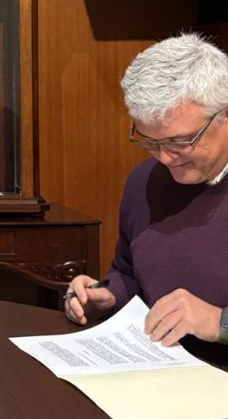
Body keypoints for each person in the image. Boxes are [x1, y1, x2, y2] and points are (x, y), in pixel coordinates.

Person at [64, 33, 228, 347]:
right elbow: (129, 271)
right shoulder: (144, 181)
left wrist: (219, 322)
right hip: (157, 370)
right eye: (150, 141)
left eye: (180, 141)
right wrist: (106, 295)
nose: (165, 158)